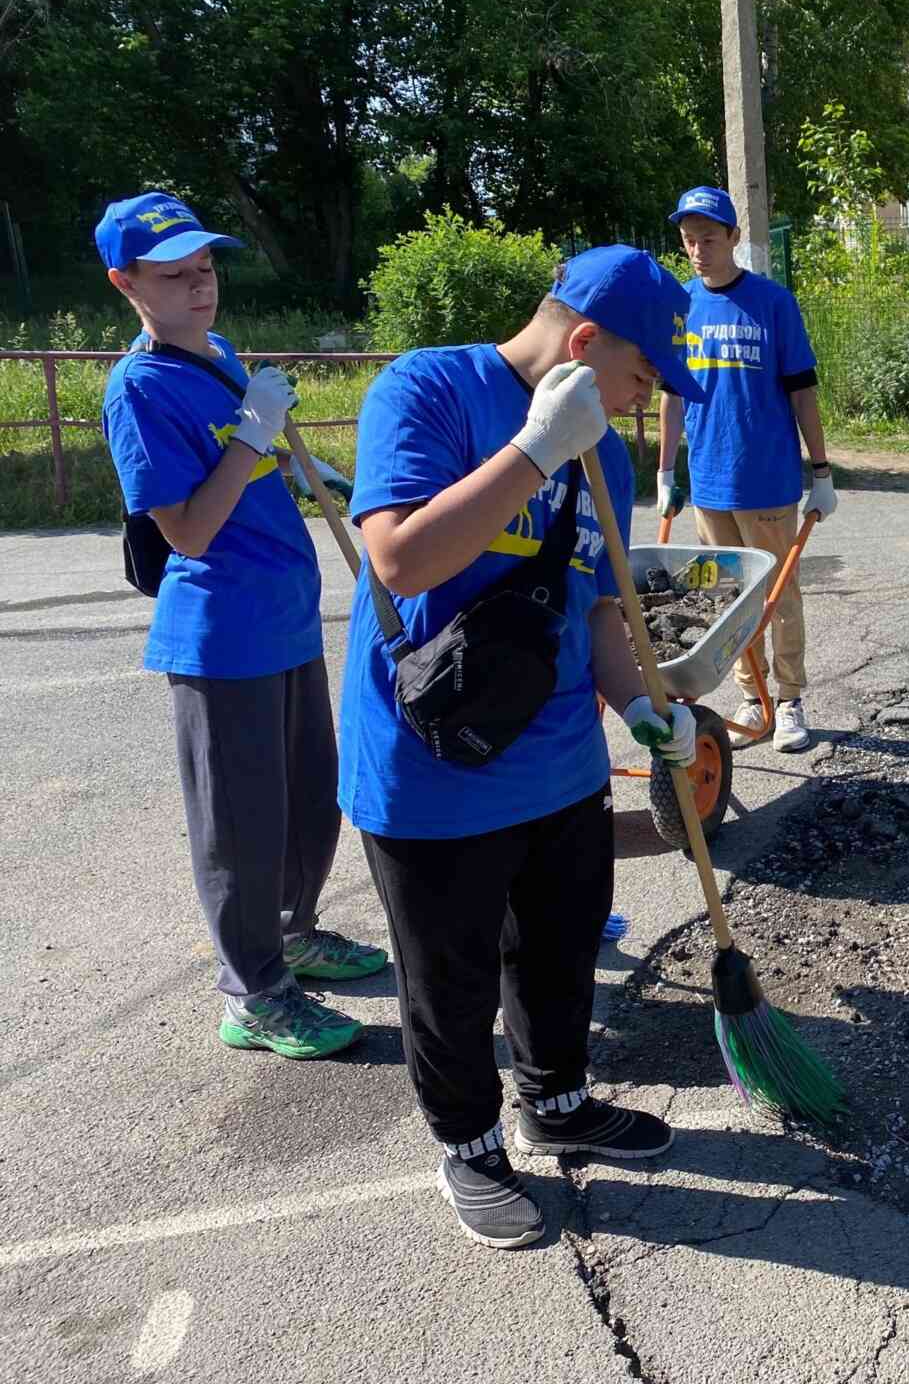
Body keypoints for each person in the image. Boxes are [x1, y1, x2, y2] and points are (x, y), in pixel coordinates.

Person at [338, 246, 702, 1249]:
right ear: (584, 344)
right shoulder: (427, 390)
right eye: (642, 378)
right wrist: (537, 452)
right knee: (447, 983)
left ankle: (556, 1098)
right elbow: (401, 557)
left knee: (557, 953)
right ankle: (468, 1143)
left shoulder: (609, 456)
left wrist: (641, 706)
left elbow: (598, 615)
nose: (642, 403)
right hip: (434, 769)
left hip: (560, 766)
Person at [96, 191, 388, 1063]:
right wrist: (253, 437)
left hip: (285, 617)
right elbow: (184, 527)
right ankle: (253, 991)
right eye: (173, 275)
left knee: (305, 800)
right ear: (125, 284)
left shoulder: (220, 355)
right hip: (221, 635)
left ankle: (293, 931)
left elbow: (259, 470)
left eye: (206, 267)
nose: (198, 287)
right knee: (239, 825)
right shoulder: (139, 389)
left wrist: (314, 472)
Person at [657, 186, 834, 752]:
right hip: (708, 484)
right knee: (726, 600)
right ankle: (751, 694)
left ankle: (788, 699)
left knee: (778, 595)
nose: (698, 250)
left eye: (708, 238)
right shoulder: (682, 307)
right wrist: (666, 474)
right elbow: (671, 397)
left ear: (733, 237)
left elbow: (802, 390)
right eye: (689, 241)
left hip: (767, 480)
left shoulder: (773, 302)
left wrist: (822, 471)